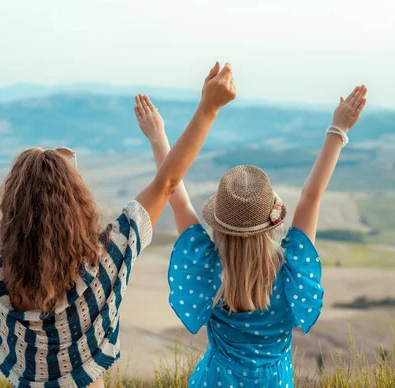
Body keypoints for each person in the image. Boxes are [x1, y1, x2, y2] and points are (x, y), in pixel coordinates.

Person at [0, 61, 236, 388]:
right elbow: (168, 182)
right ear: (78, 207)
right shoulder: (105, 260)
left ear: (11, 206)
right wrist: (208, 109)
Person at [134, 86, 367, 387]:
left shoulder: (209, 271)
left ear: (218, 225)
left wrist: (157, 137)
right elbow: (311, 197)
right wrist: (338, 129)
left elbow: (176, 195)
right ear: (272, 223)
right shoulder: (291, 270)